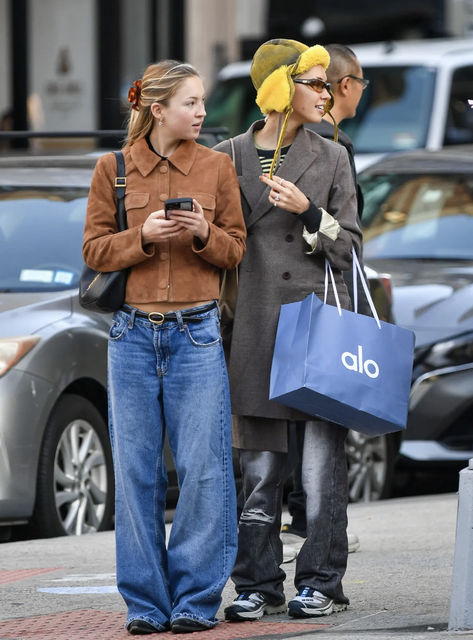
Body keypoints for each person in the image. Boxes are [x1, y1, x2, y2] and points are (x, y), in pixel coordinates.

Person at [82, 60, 246, 635]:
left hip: (197, 334)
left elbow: (235, 252)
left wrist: (203, 233)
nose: (202, 112)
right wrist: (142, 238)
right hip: (130, 336)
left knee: (203, 473)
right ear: (157, 110)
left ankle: (196, 602)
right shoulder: (113, 170)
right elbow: (95, 252)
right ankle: (147, 606)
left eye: (202, 102)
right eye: (191, 103)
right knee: (136, 475)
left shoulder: (218, 167)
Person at [214, 39, 362, 620]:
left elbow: (348, 247)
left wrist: (307, 210)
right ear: (281, 87)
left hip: (318, 327)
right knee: (258, 472)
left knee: (321, 471)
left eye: (329, 84)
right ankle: (257, 582)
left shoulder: (331, 157)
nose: (327, 94)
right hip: (251, 328)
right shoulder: (226, 157)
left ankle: (323, 581)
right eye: (316, 83)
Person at [284, 43, 369, 547]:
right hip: (321, 298)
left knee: (295, 422)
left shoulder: (296, 143)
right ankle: (309, 523)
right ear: (343, 85)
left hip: (290, 300)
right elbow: (347, 239)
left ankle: (301, 523)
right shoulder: (335, 148)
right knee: (317, 419)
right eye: (359, 82)